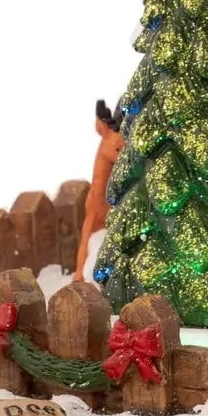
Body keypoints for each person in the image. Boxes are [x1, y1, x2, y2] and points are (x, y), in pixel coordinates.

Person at [74, 99, 125, 280]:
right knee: (89, 233)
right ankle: (80, 273)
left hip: (107, 200)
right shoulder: (111, 138)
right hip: (100, 200)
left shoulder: (112, 137)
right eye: (119, 150)